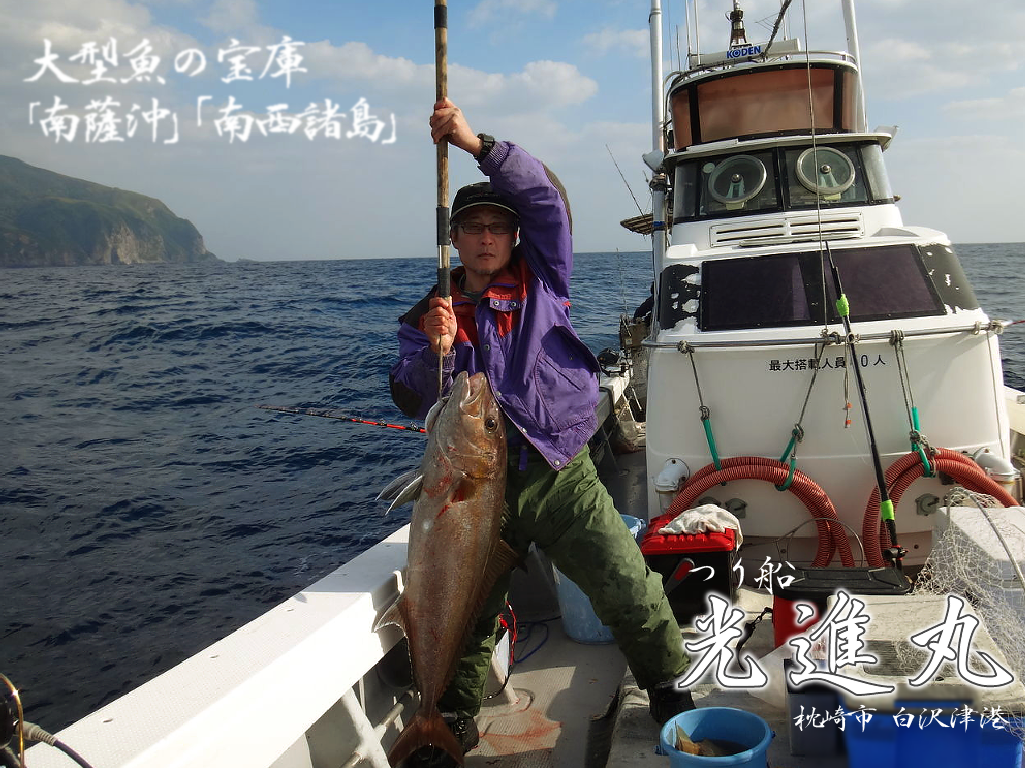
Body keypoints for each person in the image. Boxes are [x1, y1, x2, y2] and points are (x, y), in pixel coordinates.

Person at [389, 98, 694, 765]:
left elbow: (547, 201)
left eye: (500, 226)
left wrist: (475, 144)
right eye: (474, 229)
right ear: (456, 239)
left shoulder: (544, 281)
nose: (488, 238)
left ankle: (667, 686)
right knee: (470, 612)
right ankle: (450, 719)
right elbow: (411, 396)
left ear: (515, 235)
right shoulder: (431, 313)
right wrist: (429, 348)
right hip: (473, 489)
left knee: (625, 581)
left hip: (559, 471)